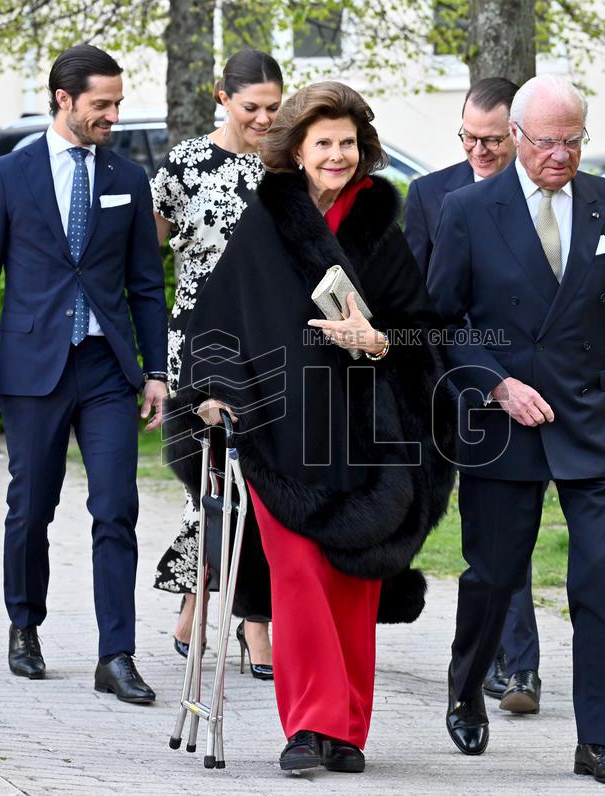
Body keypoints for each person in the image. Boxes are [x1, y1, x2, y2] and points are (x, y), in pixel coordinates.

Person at [164, 81, 455, 774]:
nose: (337, 155)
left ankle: (347, 730)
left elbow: (422, 329)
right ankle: (307, 727)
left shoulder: (381, 223)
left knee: (352, 581)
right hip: (277, 431)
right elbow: (217, 325)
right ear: (294, 149)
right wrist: (211, 397)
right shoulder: (264, 222)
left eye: (347, 143)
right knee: (296, 576)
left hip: (363, 435)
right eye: (322, 142)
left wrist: (378, 341)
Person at [428, 75, 605, 785]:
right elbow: (444, 322)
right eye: (548, 142)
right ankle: (467, 689)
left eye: (574, 141)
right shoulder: (467, 209)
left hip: (590, 417)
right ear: (516, 136)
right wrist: (498, 385)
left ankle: (596, 740)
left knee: (599, 578)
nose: (561, 156)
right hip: (502, 420)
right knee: (495, 574)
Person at [0, 45, 168, 704]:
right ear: (63, 100)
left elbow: (144, 285)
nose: (113, 114)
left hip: (106, 367)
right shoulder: (7, 176)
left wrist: (156, 368)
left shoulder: (129, 178)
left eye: (118, 103)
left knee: (116, 508)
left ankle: (117, 654)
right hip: (32, 367)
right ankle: (25, 625)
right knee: (32, 508)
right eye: (102, 104)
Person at [405, 77, 543, 715]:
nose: (480, 151)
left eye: (492, 139)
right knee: (472, 538)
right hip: (452, 385)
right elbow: (421, 305)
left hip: (522, 391)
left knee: (504, 536)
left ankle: (517, 672)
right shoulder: (431, 195)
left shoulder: (547, 198)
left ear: (516, 133)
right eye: (469, 137)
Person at [150, 49, 283, 680]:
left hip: (269, 344)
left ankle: (231, 611)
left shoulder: (286, 165)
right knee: (212, 482)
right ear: (221, 97)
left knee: (259, 485)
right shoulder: (185, 165)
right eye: (251, 107)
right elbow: (141, 261)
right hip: (198, 346)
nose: (262, 119)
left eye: (273, 108)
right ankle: (233, 614)